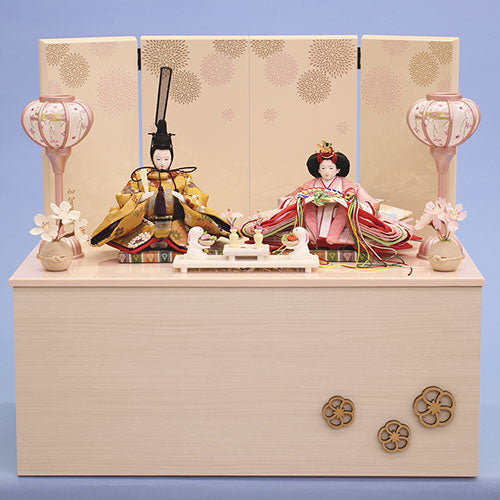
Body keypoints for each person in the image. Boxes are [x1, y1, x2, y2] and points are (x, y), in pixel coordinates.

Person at [241, 141, 413, 252]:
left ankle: (334, 237)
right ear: (318, 170)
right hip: (315, 212)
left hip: (339, 216)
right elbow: (291, 198)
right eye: (323, 168)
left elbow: (365, 200)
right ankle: (311, 236)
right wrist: (307, 199)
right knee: (306, 206)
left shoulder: (347, 184)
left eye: (331, 168)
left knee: (346, 208)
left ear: (338, 169)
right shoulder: (310, 184)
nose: (327, 172)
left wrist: (346, 201)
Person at [90, 120, 230, 253]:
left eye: (166, 159)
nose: (162, 163)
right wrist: (139, 197)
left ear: (172, 157)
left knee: (186, 234)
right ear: (152, 157)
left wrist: (185, 199)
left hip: (177, 224)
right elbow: (123, 196)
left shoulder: (182, 177)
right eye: (158, 158)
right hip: (146, 226)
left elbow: (199, 196)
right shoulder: (141, 176)